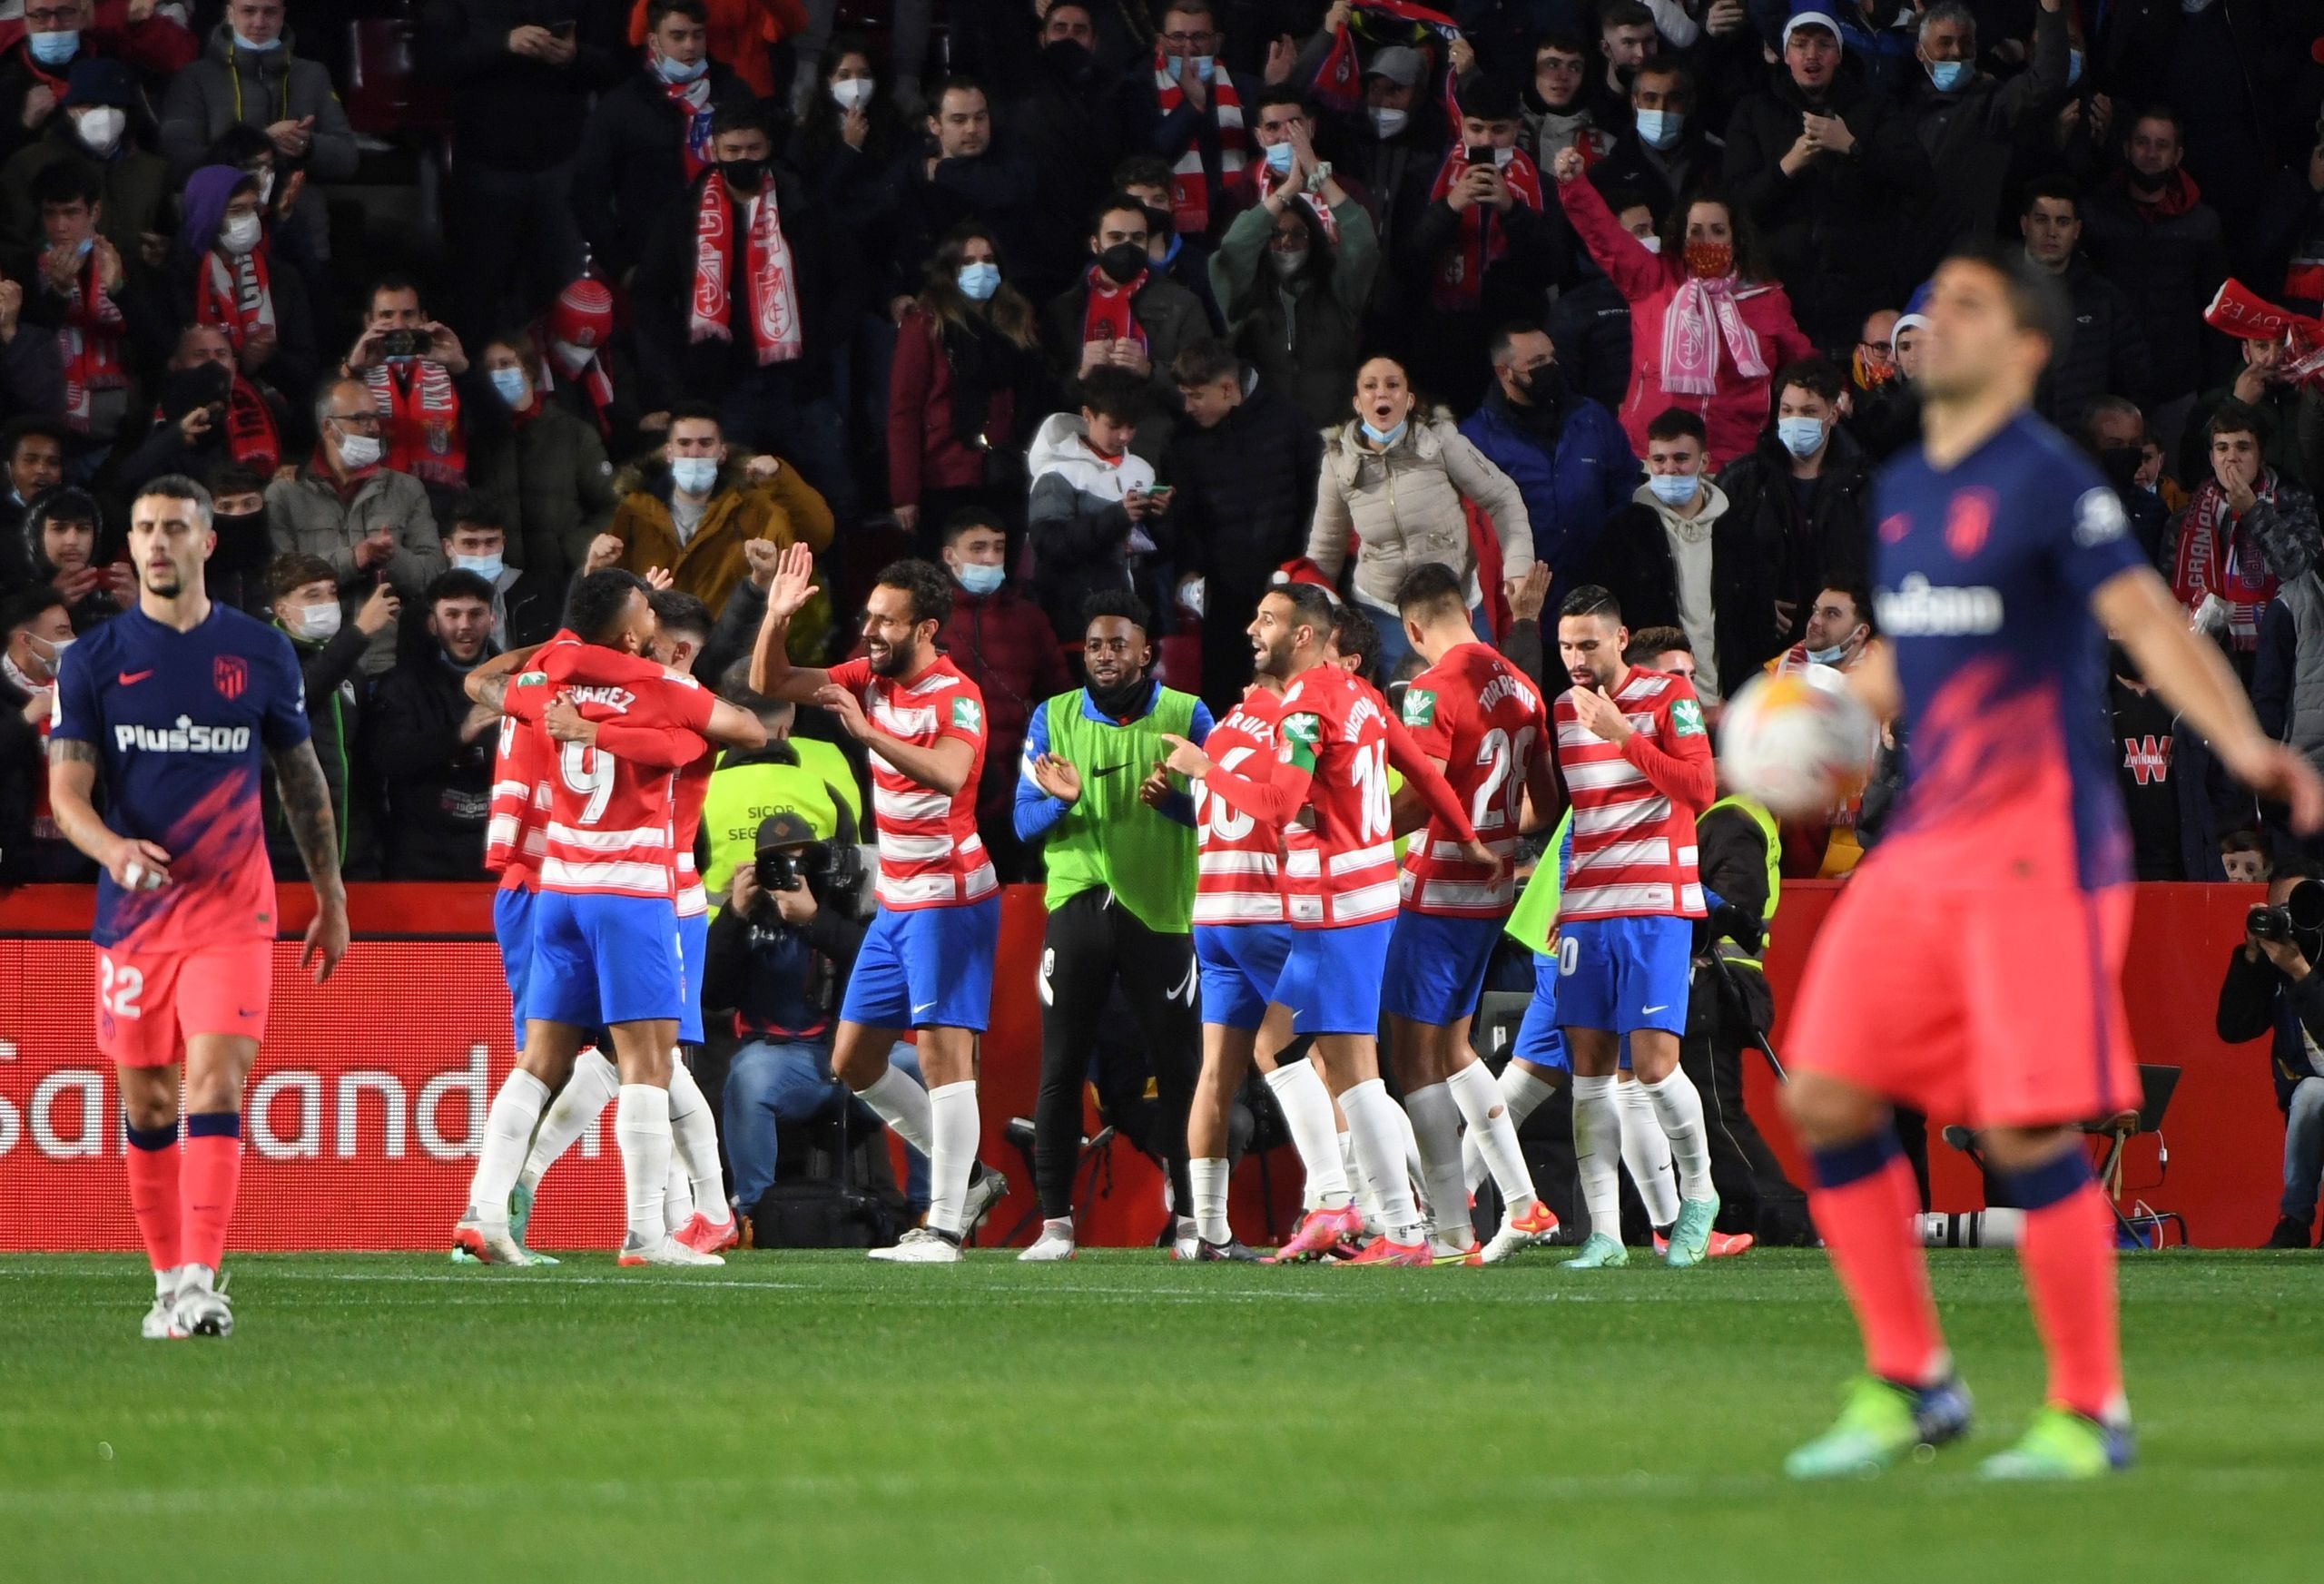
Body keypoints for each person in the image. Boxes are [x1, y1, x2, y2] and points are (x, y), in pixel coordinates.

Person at [1777, 242, 2324, 1481]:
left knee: (2024, 1132)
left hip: (2039, 848)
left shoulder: (2049, 482)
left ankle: (2088, 1408)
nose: (1931, 323)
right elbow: (1909, 654)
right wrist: (1810, 713)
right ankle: (1912, 1380)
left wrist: (2245, 742)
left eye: (1965, 307)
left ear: (2024, 351)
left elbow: (2145, 621)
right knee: (1825, 1092)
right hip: (1925, 840)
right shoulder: (1902, 490)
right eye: (1925, 309)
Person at [44, 473, 349, 1338]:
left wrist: (329, 895)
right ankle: (165, 1284)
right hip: (135, 915)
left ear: (206, 542)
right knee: (147, 1105)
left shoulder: (260, 652)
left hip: (232, 905)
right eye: (144, 528)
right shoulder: (91, 660)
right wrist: (113, 848)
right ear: (131, 544)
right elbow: (67, 793)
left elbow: (301, 778)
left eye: (175, 527)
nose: (157, 542)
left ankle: (200, 1282)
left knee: (215, 1080)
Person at [1157, 581, 1497, 1264]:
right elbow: (1427, 778)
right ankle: (1346, 1203)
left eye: (1267, 620)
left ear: (1305, 636)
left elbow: (1279, 805)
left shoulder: (1300, 707)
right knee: (1284, 1047)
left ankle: (1401, 1227)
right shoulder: (1364, 697)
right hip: (1348, 903)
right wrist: (1469, 839)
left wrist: (1204, 769)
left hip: (1335, 906)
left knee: (1352, 1072)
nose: (1253, 630)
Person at [453, 568, 766, 1267]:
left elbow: (486, 684)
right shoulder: (662, 690)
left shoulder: (548, 683)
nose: (655, 619)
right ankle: (649, 1233)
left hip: (559, 890)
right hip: (633, 892)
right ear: (631, 634)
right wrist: (652, 724)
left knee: (541, 1060)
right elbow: (748, 728)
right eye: (646, 611)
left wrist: (576, 698)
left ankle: (486, 1210)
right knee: (648, 1064)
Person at [751, 545, 1005, 1263]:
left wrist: (868, 733)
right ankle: (971, 1179)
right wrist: (776, 617)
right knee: (855, 1058)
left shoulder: (956, 695)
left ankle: (945, 1226)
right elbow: (769, 680)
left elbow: (952, 773)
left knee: (943, 1056)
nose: (870, 631)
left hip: (949, 897)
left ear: (925, 629)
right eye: (869, 616)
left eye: (887, 621)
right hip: (896, 901)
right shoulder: (869, 674)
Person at [1014, 590, 1211, 1260]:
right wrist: (1061, 802)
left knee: (1181, 1069)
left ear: (1146, 651)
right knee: (1061, 1066)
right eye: (1095, 645)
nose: (1104, 656)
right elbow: (1021, 820)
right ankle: (1055, 1226)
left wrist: (1177, 805)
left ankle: (1192, 1220)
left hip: (1161, 910)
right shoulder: (1052, 716)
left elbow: (1226, 812)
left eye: (1118, 644)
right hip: (1078, 906)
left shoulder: (1188, 714)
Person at [1382, 563, 1561, 1264]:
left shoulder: (1430, 690)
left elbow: (1420, 795)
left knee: (1413, 1058)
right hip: (1490, 891)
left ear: (1413, 627)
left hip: (1436, 889)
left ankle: (1451, 1233)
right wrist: (1493, 834)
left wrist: (1356, 831)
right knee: (1454, 1049)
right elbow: (1547, 804)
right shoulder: (1523, 688)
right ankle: (1522, 1203)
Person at [1547, 583, 1723, 1268]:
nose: (1576, 659)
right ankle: (1605, 1234)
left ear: (1620, 639)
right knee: (1589, 1072)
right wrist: (1565, 898)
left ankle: (1699, 1194)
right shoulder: (1563, 710)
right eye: (1566, 646)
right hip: (1588, 908)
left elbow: (1699, 789)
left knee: (1652, 1066)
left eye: (1588, 644)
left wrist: (1623, 736)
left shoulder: (1668, 696)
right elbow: (1585, 812)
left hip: (1655, 902)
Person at [1629, 627, 1807, 1247]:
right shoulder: (1723, 815)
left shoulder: (1732, 818)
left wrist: (1691, 935)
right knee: (1706, 1108)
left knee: (1714, 1110)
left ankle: (1786, 1217)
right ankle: (1748, 1214)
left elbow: (1738, 908)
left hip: (1717, 984)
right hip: (1711, 983)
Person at [708, 812, 941, 1234]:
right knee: (747, 1077)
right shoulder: (750, 916)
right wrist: (734, 916)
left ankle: (930, 1209)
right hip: (785, 1057)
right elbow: (711, 994)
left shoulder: (846, 899)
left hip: (859, 1053)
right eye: (777, 863)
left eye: (800, 861)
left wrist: (815, 920)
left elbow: (879, 966)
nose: (790, 873)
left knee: (922, 1065)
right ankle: (756, 1215)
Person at [632, 100, 860, 507]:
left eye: (753, 149)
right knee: (727, 501)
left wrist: (818, 345)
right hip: (725, 388)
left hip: (800, 385)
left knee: (832, 494)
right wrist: (687, 361)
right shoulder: (684, 214)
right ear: (714, 150)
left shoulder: (803, 205)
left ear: (769, 147)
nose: (743, 159)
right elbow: (649, 295)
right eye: (733, 150)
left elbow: (849, 281)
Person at [1551, 144, 1813, 471]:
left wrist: (1838, 391)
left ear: (1737, 240)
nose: (1707, 241)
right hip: (1651, 457)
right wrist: (1575, 186)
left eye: (1718, 231)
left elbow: (1803, 364)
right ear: (1681, 237)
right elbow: (1606, 238)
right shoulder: (1652, 280)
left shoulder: (1766, 298)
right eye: (1696, 232)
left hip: (1733, 463)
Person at [1305, 354, 1533, 676]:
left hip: (1455, 605)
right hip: (1385, 613)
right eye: (1370, 386)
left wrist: (1519, 566)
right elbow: (1326, 548)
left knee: (1480, 690)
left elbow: (1503, 497)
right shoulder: (1337, 461)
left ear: (1409, 399)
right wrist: (1311, 615)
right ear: (1358, 403)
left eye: (1392, 385)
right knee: (1408, 705)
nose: (1381, 393)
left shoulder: (1441, 440)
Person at [1718, 11, 1925, 351]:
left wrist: (1853, 148)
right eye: (1801, 45)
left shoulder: (1875, 108)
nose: (1812, 55)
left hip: (1861, 291)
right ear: (1785, 55)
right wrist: (1787, 166)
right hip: (1780, 290)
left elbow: (1916, 178)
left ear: (1839, 55)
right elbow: (1735, 205)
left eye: (1824, 45)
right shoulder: (1754, 111)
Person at [417, 1, 615, 342]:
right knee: (480, 290)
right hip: (485, 162)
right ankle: (478, 370)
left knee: (566, 290)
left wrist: (575, 56)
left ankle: (562, 374)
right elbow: (434, 63)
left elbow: (615, 68)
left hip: (562, 161)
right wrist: (504, 44)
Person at [1158, 338, 1317, 711]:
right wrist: (1191, 570)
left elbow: (1314, 496)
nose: (1188, 407)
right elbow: (1185, 518)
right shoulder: (1182, 440)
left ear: (1228, 389)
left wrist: (1302, 566)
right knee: (1224, 694)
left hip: (1287, 585)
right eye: (1185, 396)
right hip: (1223, 598)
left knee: (1290, 689)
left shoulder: (1288, 421)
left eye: (1197, 396)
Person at [1208, 108, 1378, 432]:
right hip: (1262, 436)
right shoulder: (1244, 296)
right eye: (1275, 234)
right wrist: (1287, 190)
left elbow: (1363, 244)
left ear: (1314, 240)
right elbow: (1233, 247)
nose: (1286, 242)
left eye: (1298, 234)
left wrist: (1319, 177)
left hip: (1330, 437)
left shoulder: (1339, 291)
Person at [887, 221, 1049, 556]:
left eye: (988, 260)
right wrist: (905, 494)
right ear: (949, 269)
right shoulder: (925, 324)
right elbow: (904, 411)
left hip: (1006, 475)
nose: (981, 269)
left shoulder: (1019, 321)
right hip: (945, 478)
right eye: (968, 261)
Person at [1591, 407, 1774, 703]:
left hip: (1726, 701)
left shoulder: (1736, 533)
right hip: (1651, 701)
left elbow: (1757, 625)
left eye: (1681, 458)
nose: (1669, 468)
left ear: (1704, 461)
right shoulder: (1623, 532)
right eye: (1659, 459)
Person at [264, 377, 445, 677]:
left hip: (388, 662)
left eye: (375, 417)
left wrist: (392, 556)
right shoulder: (285, 495)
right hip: (312, 661)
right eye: (360, 418)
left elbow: (433, 576)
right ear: (328, 427)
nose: (373, 427)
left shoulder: (406, 489)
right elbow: (279, 582)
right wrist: (354, 559)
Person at [569, 0, 755, 287]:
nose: (690, 46)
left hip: (733, 256)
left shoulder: (734, 94)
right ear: (654, 41)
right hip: (654, 265)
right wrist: (621, 267)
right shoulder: (621, 106)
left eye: (697, 35)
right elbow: (589, 193)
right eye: (678, 36)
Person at [928, 507, 1069, 883]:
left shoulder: (1028, 619)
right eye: (977, 548)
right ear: (949, 556)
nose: (990, 558)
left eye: (998, 547)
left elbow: (1061, 700)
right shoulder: (921, 616)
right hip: (940, 796)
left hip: (1011, 797)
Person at [1458, 320, 1637, 613]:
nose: (1550, 367)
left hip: (1599, 584)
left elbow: (1626, 484)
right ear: (1504, 372)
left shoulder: (1591, 418)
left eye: (1551, 357)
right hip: (1526, 597)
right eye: (1537, 362)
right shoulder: (1475, 438)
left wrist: (1614, 546)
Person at [1403, 76, 1561, 406]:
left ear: (1517, 127)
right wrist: (1449, 207)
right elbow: (1408, 260)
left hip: (1512, 334)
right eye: (1476, 129)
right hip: (1443, 337)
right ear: (1461, 124)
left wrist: (1511, 209)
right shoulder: (1426, 175)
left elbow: (1550, 267)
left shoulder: (1542, 185)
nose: (1486, 140)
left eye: (1498, 130)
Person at [2077, 109, 2230, 448]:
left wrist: (2217, 388)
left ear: (2178, 155)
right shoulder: (2096, 215)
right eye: (2142, 142)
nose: (2151, 153)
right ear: (2126, 148)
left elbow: (2217, 309)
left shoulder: (2202, 224)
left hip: (2177, 387)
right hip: (2108, 384)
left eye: (2162, 145)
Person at [594, 402, 833, 616]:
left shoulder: (755, 507)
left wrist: (782, 478)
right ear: (668, 453)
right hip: (655, 646)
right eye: (684, 443)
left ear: (722, 453)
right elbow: (611, 590)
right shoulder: (634, 511)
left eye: (705, 443)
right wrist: (594, 568)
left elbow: (819, 534)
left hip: (736, 646)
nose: (695, 453)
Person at [1896, 0, 2070, 285]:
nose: (1956, 52)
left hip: (1966, 274)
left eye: (1965, 43)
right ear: (1920, 52)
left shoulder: (1992, 106)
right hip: (1906, 273)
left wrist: (2050, 11)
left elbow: (2046, 80)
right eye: (1945, 42)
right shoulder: (1902, 112)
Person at [1714, 355, 1875, 635]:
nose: (1795, 420)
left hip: (1841, 637)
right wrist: (1754, 599)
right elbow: (1719, 561)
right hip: (1761, 636)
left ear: (1832, 415)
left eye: (1809, 411)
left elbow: (1876, 563)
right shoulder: (1743, 479)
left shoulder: (1864, 481)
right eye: (1787, 410)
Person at [261, 552, 389, 881]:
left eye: (332, 593)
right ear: (282, 609)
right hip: (287, 856)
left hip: (353, 853)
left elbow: (365, 762)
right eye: (312, 595)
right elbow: (297, 701)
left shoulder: (350, 670)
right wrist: (358, 632)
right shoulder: (262, 658)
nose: (327, 603)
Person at [2214, 863, 2324, 1249]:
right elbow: (2234, 1028)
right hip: (2310, 1093)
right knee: (2311, 1093)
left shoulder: (2296, 963)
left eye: (2298, 909)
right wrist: (2250, 957)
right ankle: (2294, 1221)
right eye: (2279, 910)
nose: (2288, 920)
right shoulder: (2273, 963)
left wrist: (2301, 972)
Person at [2168, 400, 2320, 676]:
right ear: (2211, 457)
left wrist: (2253, 512)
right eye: (2222, 448)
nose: (2231, 457)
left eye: (2243, 447)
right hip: (2211, 659)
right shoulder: (2187, 517)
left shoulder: (2293, 500)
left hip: (2284, 652)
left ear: (2261, 456)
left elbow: (2302, 572)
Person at [366, 568, 502, 880]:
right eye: (452, 615)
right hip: (422, 859)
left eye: (475, 614)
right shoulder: (401, 685)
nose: (465, 625)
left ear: (492, 620)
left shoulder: (517, 682)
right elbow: (387, 758)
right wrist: (459, 734)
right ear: (432, 623)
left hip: (495, 856)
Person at [1044, 192, 1208, 448]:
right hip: (1078, 445)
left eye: (1137, 238)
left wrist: (1150, 371)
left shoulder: (1183, 305)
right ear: (1095, 244)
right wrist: (1080, 374)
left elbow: (1203, 393)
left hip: (1157, 445)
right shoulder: (1064, 310)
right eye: (1116, 237)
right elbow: (1044, 396)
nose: (1127, 246)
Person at [1025, 363, 1167, 643]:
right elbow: (1048, 545)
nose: (1124, 436)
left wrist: (1161, 518)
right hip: (1076, 621)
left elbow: (1157, 551)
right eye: (1114, 426)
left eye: (1131, 426)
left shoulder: (1142, 470)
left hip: (1134, 618)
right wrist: (1116, 517)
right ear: (1088, 415)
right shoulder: (1056, 472)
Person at [467, 334, 619, 581]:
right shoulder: (482, 442)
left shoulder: (574, 434)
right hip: (503, 583)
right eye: (489, 368)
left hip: (563, 580)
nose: (497, 374)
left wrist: (576, 548)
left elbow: (610, 506)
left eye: (506, 364)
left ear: (529, 368)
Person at [155, 0, 357, 186]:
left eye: (270, 12)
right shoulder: (193, 77)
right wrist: (261, 143)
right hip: (222, 206)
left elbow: (348, 159)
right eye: (248, 11)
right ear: (230, 13)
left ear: (282, 15)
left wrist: (307, 145)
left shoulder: (313, 74)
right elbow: (178, 160)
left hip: (297, 205)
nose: (259, 23)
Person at [1124, 0, 1268, 244]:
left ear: (1217, 41)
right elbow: (1151, 158)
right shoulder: (1137, 89)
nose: (1188, 47)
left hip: (1238, 225)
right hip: (1171, 232)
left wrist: (1275, 88)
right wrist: (1192, 106)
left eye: (1199, 37)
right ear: (1161, 41)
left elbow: (1265, 151)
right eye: (1178, 37)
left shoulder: (1245, 88)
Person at [173, 162, 317, 409]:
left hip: (268, 407)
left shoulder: (282, 277)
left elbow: (306, 368)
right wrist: (237, 356)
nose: (250, 220)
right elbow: (164, 357)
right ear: (207, 215)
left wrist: (269, 357)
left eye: (253, 209)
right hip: (191, 409)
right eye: (237, 210)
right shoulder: (178, 275)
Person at [0, 56, 168, 263]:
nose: (105, 114)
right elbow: (11, 241)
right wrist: (44, 265)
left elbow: (169, 237)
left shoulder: (154, 171)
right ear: (69, 109)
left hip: (130, 281)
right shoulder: (29, 164)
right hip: (53, 279)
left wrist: (162, 253)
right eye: (91, 105)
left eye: (115, 105)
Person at [2019, 178, 2150, 434]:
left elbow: (2136, 380)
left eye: (2062, 222)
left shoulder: (2104, 299)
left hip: (2085, 449)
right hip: (2016, 447)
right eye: (2041, 220)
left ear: (2077, 230)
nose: (2052, 232)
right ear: (2025, 224)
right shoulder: (1997, 296)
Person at [346, 274, 482, 506]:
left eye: (408, 314)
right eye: (387, 315)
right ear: (369, 322)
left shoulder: (452, 368)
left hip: (445, 503)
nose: (399, 325)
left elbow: (494, 426)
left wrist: (462, 369)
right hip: (375, 502)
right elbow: (324, 432)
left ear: (423, 319)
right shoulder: (353, 373)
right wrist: (352, 370)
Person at [0, 584, 92, 881]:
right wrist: (25, 719)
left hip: (78, 855)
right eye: (62, 632)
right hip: (14, 858)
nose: (73, 641)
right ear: (26, 640)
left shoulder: (83, 688)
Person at [1588, 59, 1710, 227]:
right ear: (1635, 102)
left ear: (1689, 103)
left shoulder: (1718, 163)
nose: (1661, 108)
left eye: (1673, 98)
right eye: (1650, 98)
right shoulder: (1604, 175)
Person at [440, 493, 562, 650]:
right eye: (470, 544)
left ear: (503, 543)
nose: (482, 554)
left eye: (491, 542)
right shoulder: (429, 604)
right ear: (448, 548)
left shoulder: (539, 593)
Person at [25, 487, 130, 630]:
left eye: (82, 528)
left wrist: (141, 609)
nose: (72, 540)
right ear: (36, 535)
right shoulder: (14, 591)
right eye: (59, 528)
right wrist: (49, 601)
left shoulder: (112, 591)